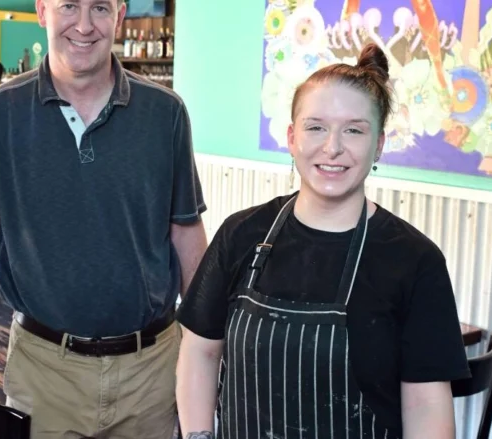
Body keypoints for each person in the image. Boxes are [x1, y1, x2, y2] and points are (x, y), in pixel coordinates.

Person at [0, 0, 208, 438]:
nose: (84, 25)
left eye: (99, 8)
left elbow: (186, 234)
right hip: (43, 372)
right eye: (69, 6)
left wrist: (209, 355)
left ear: (120, 15)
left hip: (151, 373)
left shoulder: (165, 112)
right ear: (43, 11)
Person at [175, 43, 471, 439]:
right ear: (292, 137)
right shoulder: (241, 234)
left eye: (354, 130)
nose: (332, 148)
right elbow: (201, 350)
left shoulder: (415, 260)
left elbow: (426, 403)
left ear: (379, 144)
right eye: (316, 127)